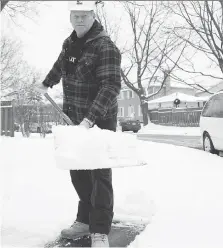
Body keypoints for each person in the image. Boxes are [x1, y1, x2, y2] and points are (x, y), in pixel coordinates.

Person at [35, 1, 121, 247]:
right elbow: (60, 67)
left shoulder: (106, 47)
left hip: (100, 120)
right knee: (78, 171)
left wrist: (89, 119)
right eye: (76, 15)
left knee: (99, 174)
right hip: (72, 118)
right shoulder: (69, 43)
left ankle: (100, 229)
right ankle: (85, 220)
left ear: (93, 16)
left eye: (84, 15)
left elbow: (111, 86)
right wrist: (46, 83)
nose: (80, 19)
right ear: (70, 17)